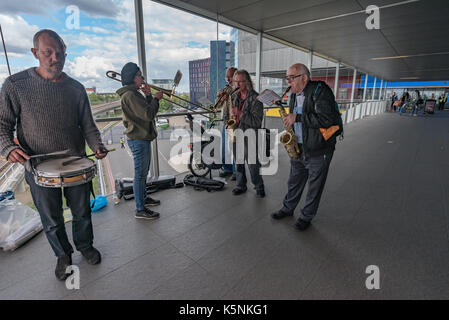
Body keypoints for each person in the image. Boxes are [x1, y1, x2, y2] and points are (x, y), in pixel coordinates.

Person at [0, 29, 108, 280]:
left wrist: (97, 145)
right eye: (48, 52)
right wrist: (9, 148)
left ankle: (85, 245)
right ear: (35, 53)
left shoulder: (76, 88)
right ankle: (63, 255)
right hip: (38, 166)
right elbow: (2, 124)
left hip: (76, 164)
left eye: (60, 53)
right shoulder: (15, 85)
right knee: (51, 218)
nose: (54, 58)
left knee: (82, 212)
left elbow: (88, 125)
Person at [271, 63, 340, 231]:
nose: (288, 82)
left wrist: (298, 118)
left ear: (304, 78)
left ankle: (306, 216)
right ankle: (288, 208)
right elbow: (295, 118)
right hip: (299, 147)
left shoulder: (320, 91)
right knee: (294, 181)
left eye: (291, 78)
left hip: (319, 149)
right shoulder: (294, 94)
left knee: (314, 186)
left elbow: (326, 120)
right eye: (286, 78)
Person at [116, 62, 163, 220]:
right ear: (132, 77)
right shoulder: (130, 95)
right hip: (138, 138)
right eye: (139, 75)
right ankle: (140, 208)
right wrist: (156, 99)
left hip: (141, 137)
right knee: (140, 175)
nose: (142, 78)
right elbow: (149, 114)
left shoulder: (134, 93)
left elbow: (145, 112)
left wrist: (149, 96)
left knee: (142, 173)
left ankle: (143, 199)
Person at [230, 69, 265, 198]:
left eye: (241, 82)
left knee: (253, 163)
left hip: (250, 133)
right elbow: (228, 114)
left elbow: (256, 121)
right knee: (238, 162)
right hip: (236, 132)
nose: (237, 85)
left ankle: (259, 186)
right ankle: (240, 185)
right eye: (236, 82)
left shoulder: (256, 98)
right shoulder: (233, 97)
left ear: (247, 82)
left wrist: (240, 114)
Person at [218, 67, 237, 180]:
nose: (228, 79)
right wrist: (220, 97)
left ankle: (236, 171)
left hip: (234, 123)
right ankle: (227, 169)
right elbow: (218, 105)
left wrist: (229, 97)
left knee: (234, 149)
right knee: (225, 148)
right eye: (227, 77)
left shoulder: (238, 89)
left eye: (230, 77)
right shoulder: (226, 88)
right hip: (225, 122)